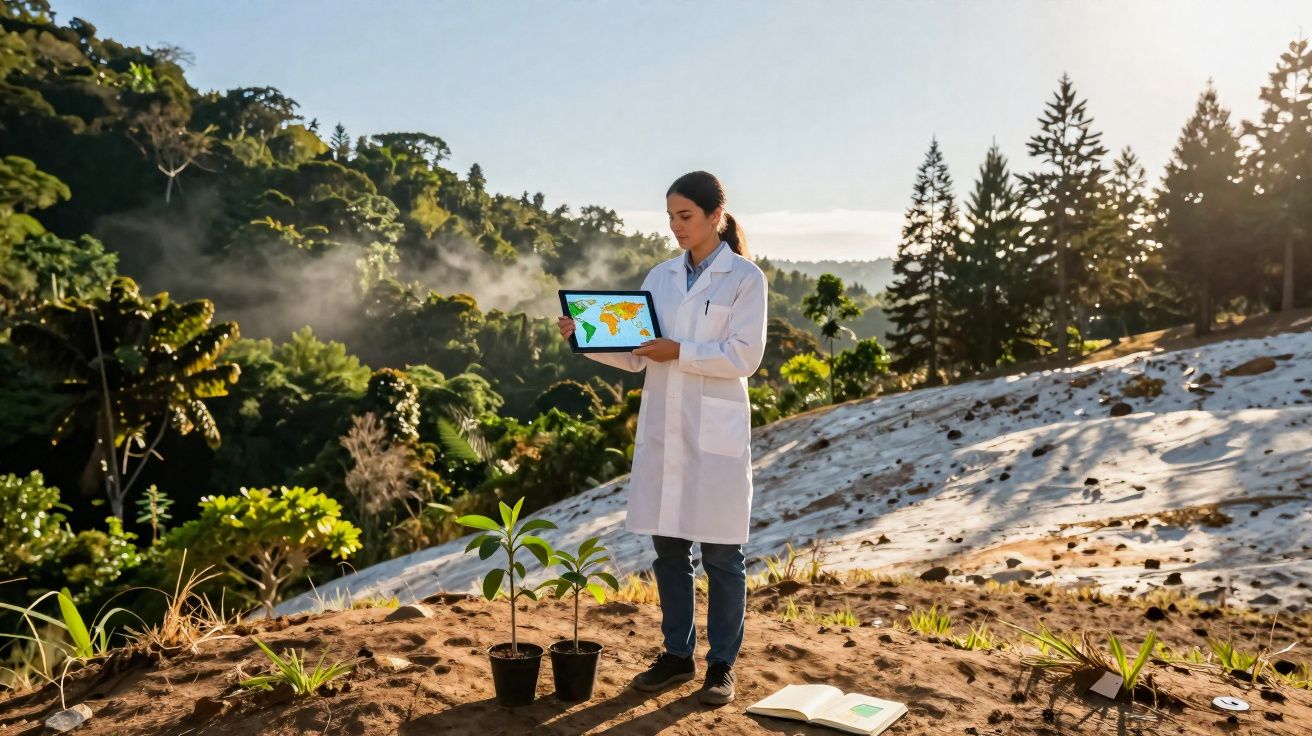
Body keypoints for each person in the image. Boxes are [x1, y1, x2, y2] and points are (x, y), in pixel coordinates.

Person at [556, 170, 767, 706]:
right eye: (671, 216)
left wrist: (681, 352)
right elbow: (635, 354)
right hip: (665, 433)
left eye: (685, 216)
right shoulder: (661, 276)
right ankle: (677, 655)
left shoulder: (745, 278)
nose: (676, 227)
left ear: (716, 215)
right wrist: (585, 337)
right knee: (669, 550)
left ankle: (721, 665)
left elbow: (745, 356)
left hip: (714, 434)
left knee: (723, 556)